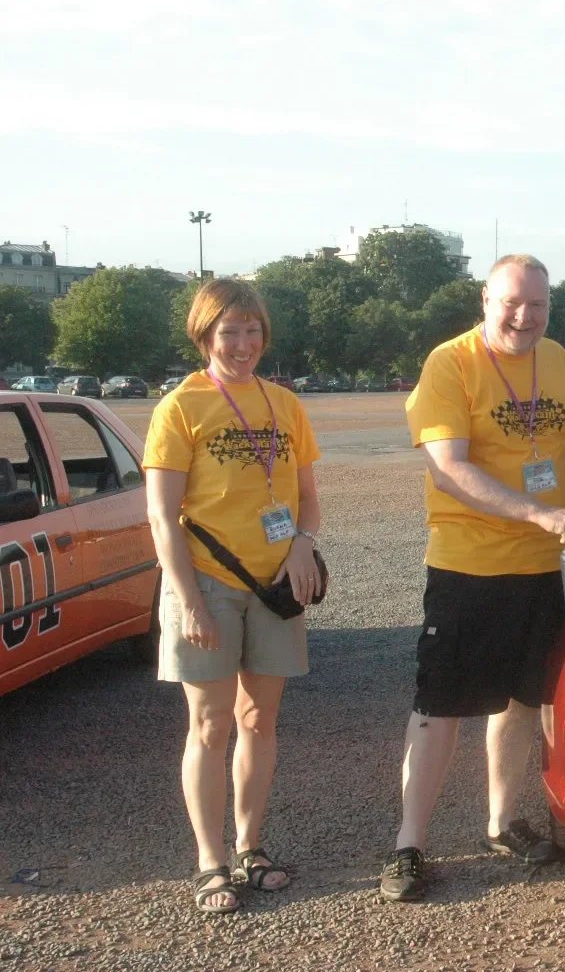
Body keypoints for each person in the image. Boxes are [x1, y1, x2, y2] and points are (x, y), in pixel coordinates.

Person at [379, 253, 565, 903]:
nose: (525, 316)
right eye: (512, 303)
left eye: (538, 306)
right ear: (486, 300)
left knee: (523, 702)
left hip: (547, 567)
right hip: (471, 565)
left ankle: (502, 821)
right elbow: (448, 467)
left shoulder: (556, 359)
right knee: (439, 710)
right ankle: (408, 845)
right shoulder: (450, 364)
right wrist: (540, 514)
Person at [143, 278, 325, 914]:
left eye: (252, 331)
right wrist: (188, 599)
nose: (243, 344)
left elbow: (308, 498)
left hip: (276, 586)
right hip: (208, 584)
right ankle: (210, 861)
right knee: (211, 724)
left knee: (259, 720)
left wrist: (303, 542)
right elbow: (164, 517)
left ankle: (250, 847)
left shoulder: (284, 404)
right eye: (230, 332)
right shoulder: (181, 407)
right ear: (205, 335)